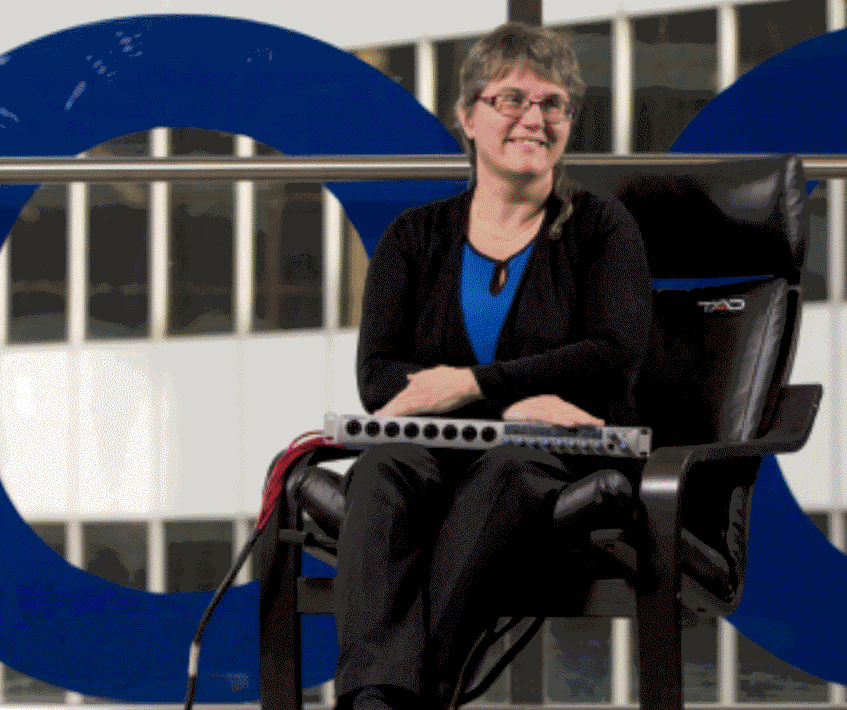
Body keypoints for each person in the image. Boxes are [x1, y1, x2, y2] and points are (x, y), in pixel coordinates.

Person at [333, 22, 652, 710]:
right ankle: (375, 703)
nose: (534, 118)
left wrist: (472, 384)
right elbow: (381, 376)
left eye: (554, 103)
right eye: (512, 99)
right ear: (468, 116)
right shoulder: (415, 238)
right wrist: (504, 406)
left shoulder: (602, 228)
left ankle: (412, 698)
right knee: (384, 467)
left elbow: (612, 355)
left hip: (559, 456)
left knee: (508, 468)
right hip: (439, 454)